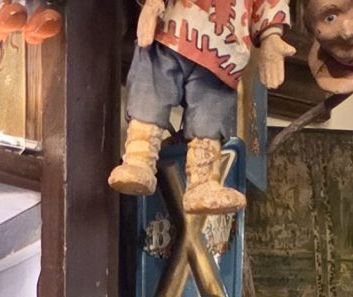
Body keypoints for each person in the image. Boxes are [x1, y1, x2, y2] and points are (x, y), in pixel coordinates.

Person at [110, 0, 292, 208]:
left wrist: (271, 37)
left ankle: (203, 182)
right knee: (152, 87)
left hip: (223, 51)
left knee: (210, 116)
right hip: (172, 28)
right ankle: (139, 158)